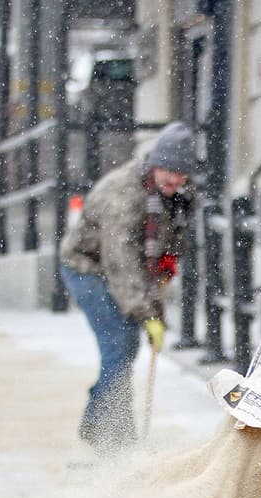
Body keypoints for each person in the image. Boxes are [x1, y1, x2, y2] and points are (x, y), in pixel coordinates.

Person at [58, 121, 195, 453]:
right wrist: (147, 314)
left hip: (123, 271)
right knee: (118, 345)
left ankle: (101, 425)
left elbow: (168, 242)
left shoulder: (173, 195)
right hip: (87, 268)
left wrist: (167, 264)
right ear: (155, 163)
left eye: (181, 174)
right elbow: (121, 264)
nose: (174, 179)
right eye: (169, 170)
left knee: (124, 348)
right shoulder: (124, 194)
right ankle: (111, 436)